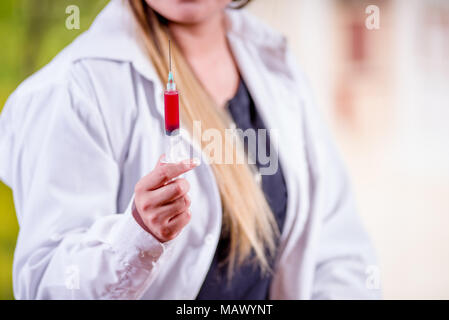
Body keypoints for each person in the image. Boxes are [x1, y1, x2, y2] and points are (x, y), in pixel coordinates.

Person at [0, 0, 380, 299]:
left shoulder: (277, 69)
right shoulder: (74, 90)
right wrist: (135, 237)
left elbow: (337, 248)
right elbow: (47, 286)